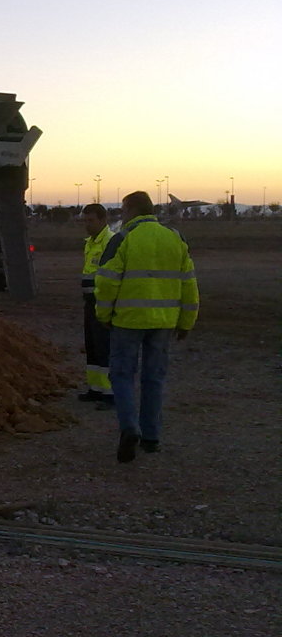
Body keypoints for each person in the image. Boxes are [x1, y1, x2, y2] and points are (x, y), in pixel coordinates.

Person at [94, 191, 199, 463]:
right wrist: (186, 322)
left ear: (130, 210)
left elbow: (106, 282)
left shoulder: (122, 239)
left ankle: (130, 428)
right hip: (164, 322)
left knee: (122, 375)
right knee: (154, 378)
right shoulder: (175, 238)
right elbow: (189, 284)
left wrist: (103, 315)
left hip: (127, 320)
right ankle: (151, 437)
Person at [78, 203, 114, 408]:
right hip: (90, 302)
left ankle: (110, 392)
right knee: (92, 346)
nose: (87, 225)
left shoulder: (110, 242)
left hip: (103, 302)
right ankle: (95, 388)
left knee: (105, 346)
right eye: (85, 220)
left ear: (103, 220)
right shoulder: (90, 242)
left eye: (91, 220)